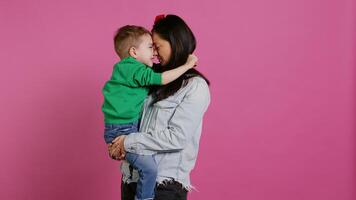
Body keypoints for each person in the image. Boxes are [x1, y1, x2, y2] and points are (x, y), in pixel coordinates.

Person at [109, 14, 211, 200]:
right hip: (131, 179)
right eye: (151, 47)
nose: (154, 52)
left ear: (174, 42)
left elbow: (177, 137)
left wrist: (127, 142)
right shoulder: (148, 78)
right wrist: (118, 145)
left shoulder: (194, 86)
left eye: (157, 46)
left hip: (164, 186)